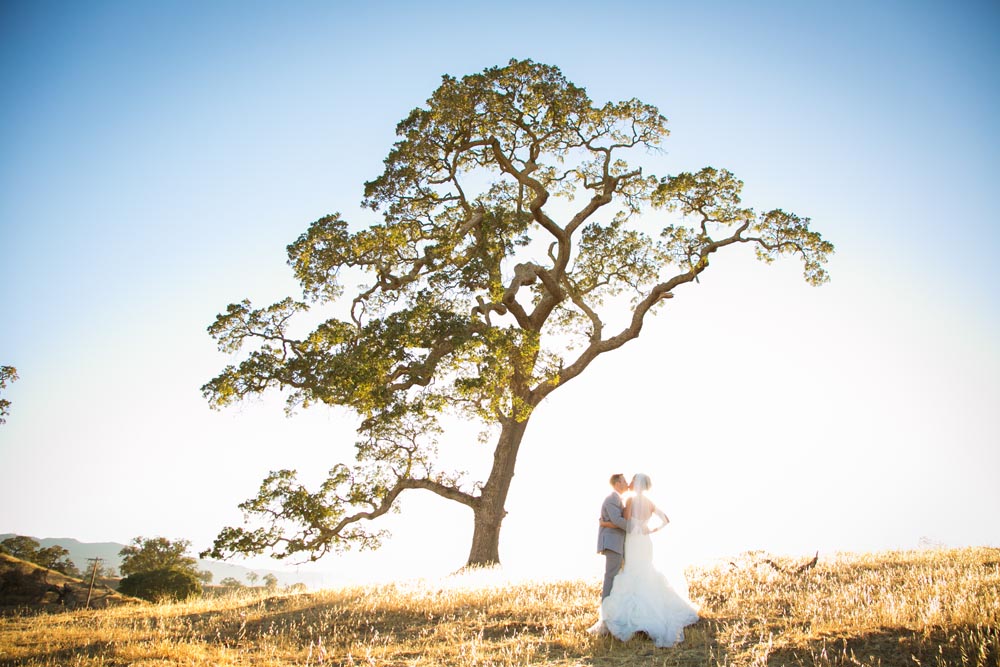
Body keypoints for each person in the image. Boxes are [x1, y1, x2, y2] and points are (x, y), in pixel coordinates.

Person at [591, 473, 699, 648]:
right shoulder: (649, 503)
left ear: (637, 484)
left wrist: (605, 524)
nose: (629, 483)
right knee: (645, 572)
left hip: (633, 542)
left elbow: (623, 522)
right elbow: (666, 520)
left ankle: (617, 617)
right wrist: (650, 530)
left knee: (631, 573)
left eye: (632, 480)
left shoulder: (630, 502)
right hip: (645, 542)